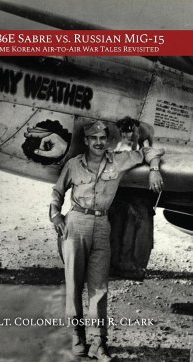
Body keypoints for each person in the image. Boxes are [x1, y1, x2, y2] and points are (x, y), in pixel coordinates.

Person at [49, 120, 164, 361]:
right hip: (76, 223)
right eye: (94, 139)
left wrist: (154, 169)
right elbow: (57, 192)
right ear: (87, 142)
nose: (99, 143)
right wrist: (56, 215)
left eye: (103, 139)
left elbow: (149, 151)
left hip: (102, 225)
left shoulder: (119, 161)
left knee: (99, 287)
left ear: (106, 141)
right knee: (74, 284)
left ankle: (99, 343)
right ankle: (78, 335)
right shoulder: (73, 164)